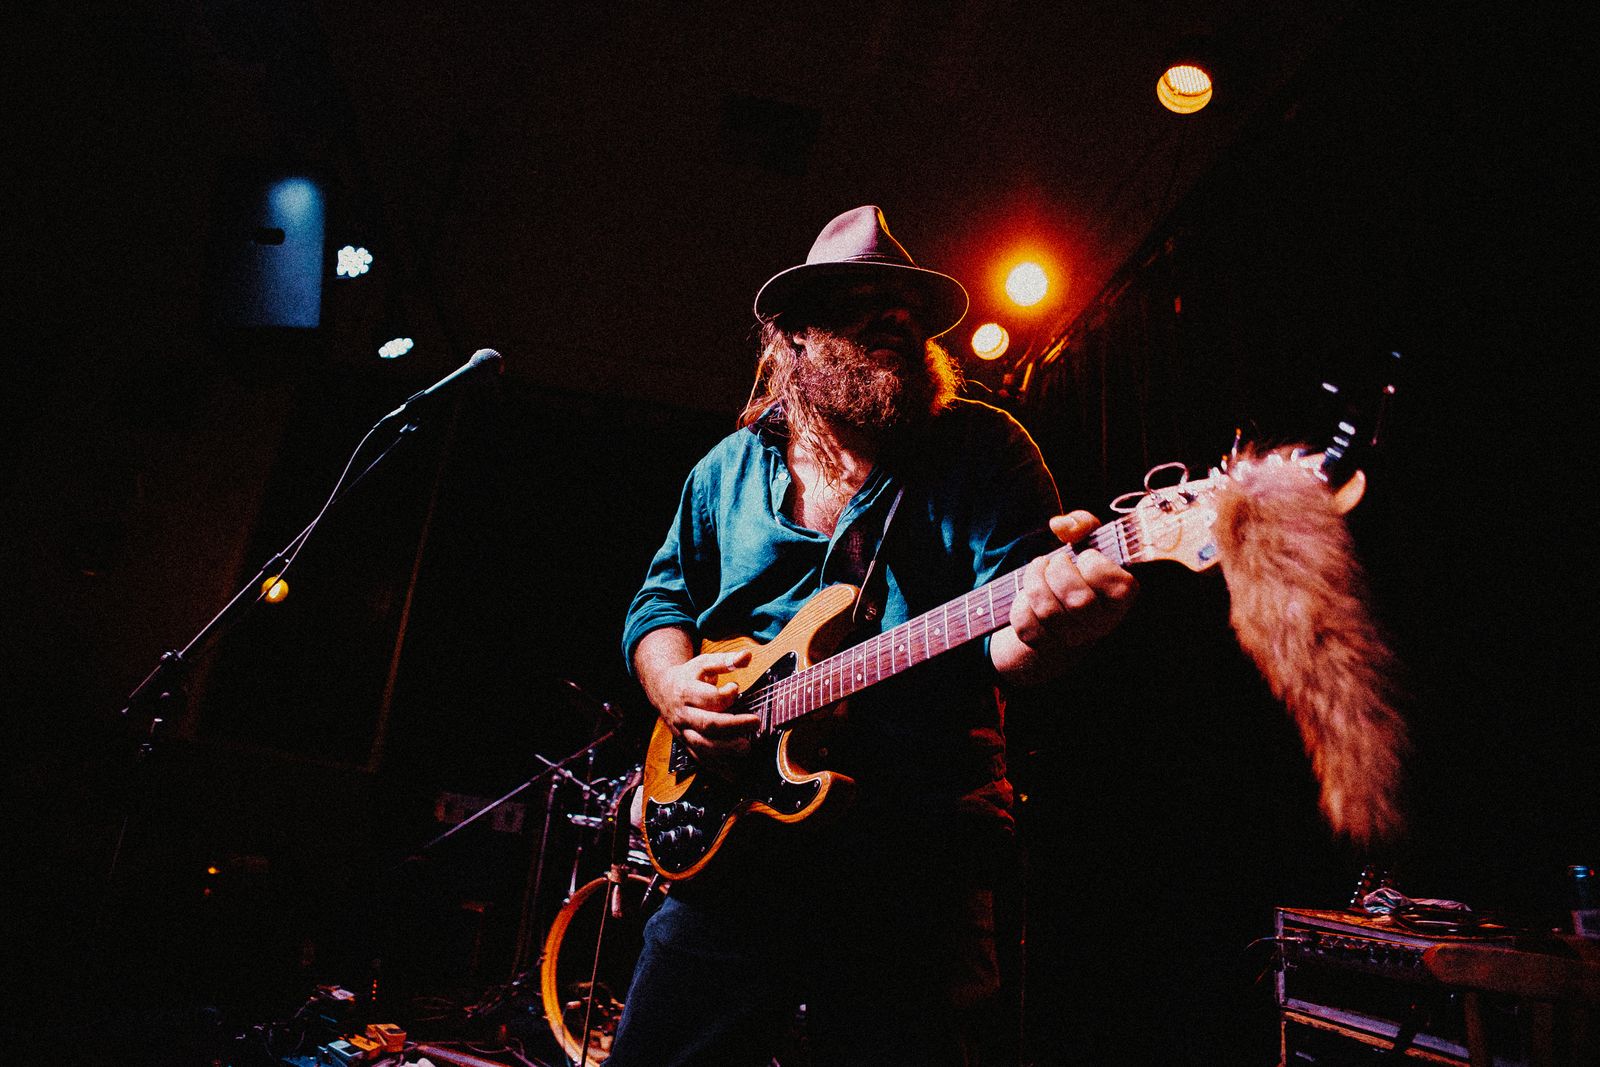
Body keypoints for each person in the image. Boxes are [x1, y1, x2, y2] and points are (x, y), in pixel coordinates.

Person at [608, 205, 1136, 1066]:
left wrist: (1059, 627)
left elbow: (1009, 643)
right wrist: (673, 687)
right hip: (734, 843)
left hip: (916, 852)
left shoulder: (984, 450)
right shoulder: (725, 471)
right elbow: (657, 605)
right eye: (861, 302)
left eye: (908, 308)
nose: (895, 317)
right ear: (794, 336)